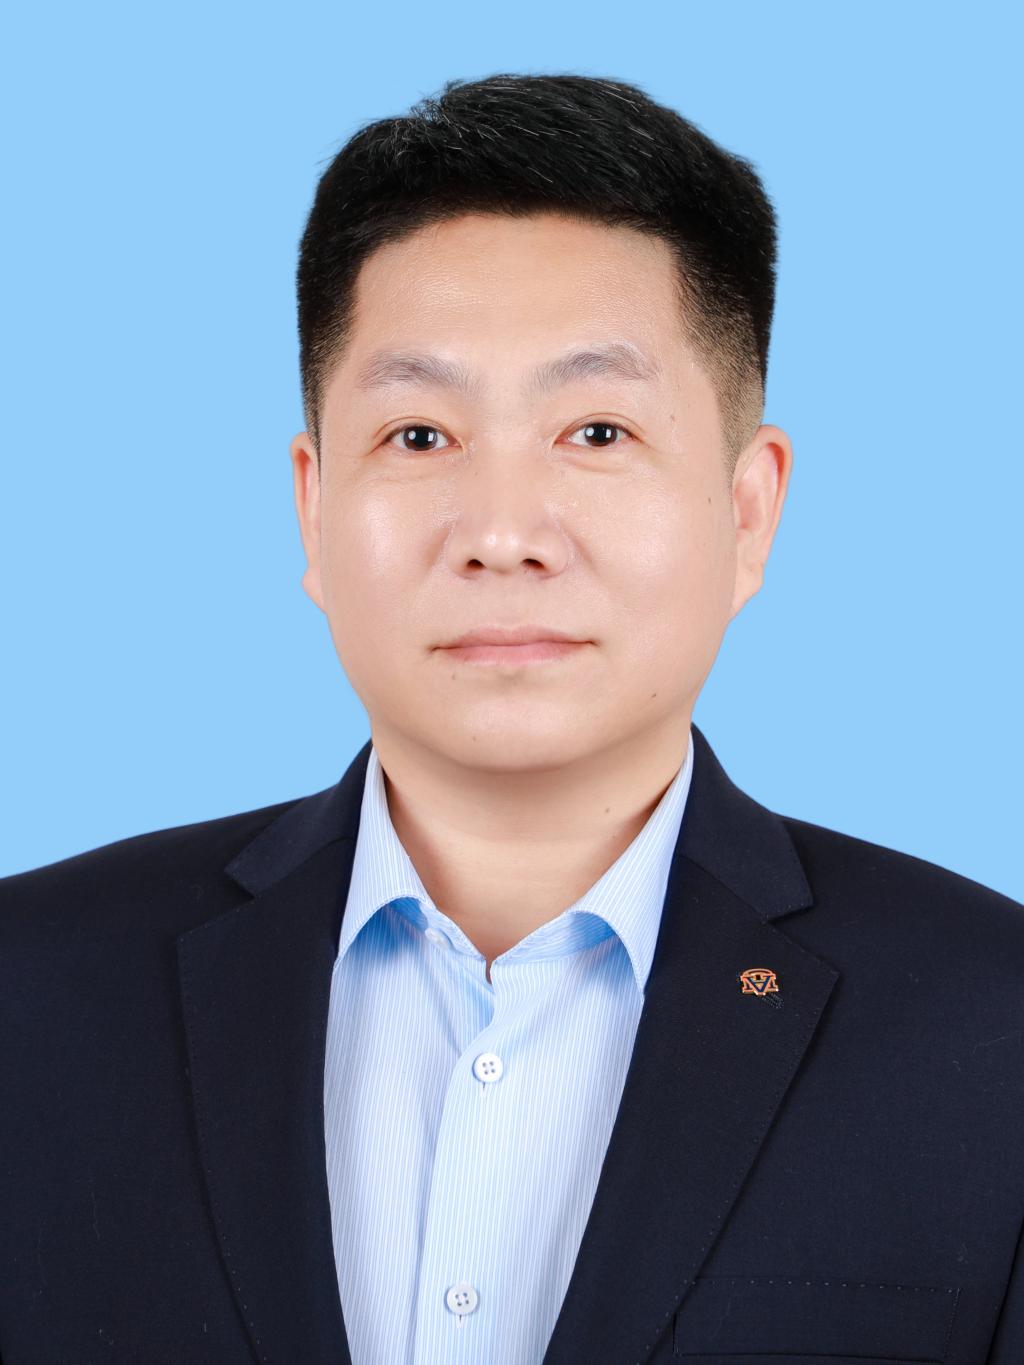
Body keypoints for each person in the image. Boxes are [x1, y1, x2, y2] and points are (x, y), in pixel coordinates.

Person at [1, 71, 1021, 1365]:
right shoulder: (30, 996)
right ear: (313, 507)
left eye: (595, 430)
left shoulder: (992, 1032)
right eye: (420, 436)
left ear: (747, 510)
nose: (500, 533)